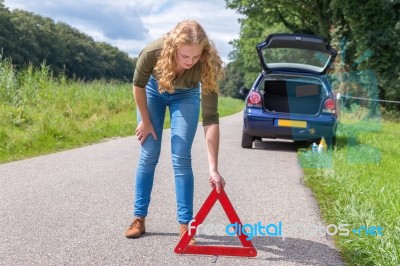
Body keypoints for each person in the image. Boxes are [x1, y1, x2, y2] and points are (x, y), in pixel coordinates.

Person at [125, 19, 226, 242]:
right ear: (174, 48)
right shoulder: (153, 51)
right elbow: (138, 85)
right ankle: (139, 218)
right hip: (153, 91)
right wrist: (145, 121)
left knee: (181, 156)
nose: (191, 61)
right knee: (149, 152)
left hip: (186, 95)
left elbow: (210, 119)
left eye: (196, 56)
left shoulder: (206, 63)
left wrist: (213, 168)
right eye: (185, 56)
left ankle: (186, 225)